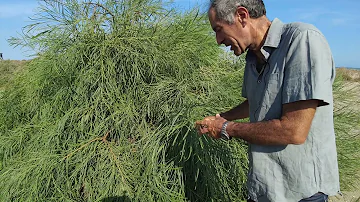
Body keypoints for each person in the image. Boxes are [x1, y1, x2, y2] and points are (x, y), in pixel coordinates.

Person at [195, 0, 340, 201]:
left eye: (218, 29)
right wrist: (219, 118)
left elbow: (294, 130)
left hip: (301, 192)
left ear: (242, 16)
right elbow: (256, 102)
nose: (218, 40)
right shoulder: (253, 57)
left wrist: (227, 128)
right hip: (263, 187)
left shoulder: (302, 40)